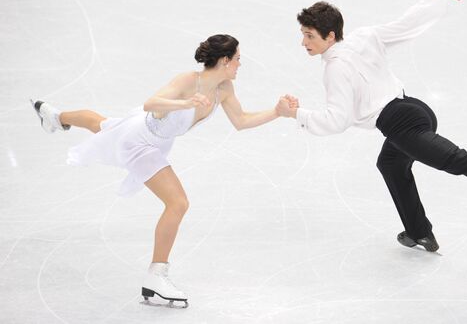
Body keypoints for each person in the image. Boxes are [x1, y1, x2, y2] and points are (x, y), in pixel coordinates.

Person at [276, 0, 467, 252]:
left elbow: (337, 121)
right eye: (303, 34)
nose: (303, 42)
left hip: (400, 123)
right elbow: (408, 24)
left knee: (456, 161)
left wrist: (297, 114)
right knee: (391, 164)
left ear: (330, 35)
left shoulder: (334, 69)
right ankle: (419, 232)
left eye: (309, 36)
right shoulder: (363, 37)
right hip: (415, 109)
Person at [31, 34, 292, 307]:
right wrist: (186, 103)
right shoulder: (188, 81)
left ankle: (56, 118)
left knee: (102, 125)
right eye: (238, 59)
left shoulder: (224, 89)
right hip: (141, 140)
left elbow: (241, 120)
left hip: (156, 141)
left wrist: (277, 112)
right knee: (177, 202)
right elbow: (151, 104)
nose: (240, 64)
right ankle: (156, 276)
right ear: (225, 60)